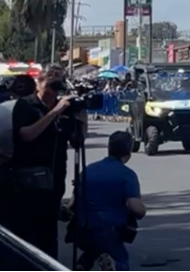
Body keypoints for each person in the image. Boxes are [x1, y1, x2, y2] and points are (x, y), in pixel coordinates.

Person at [9, 65, 82, 259]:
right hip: (28, 180)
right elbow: (26, 135)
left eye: (56, 87)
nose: (52, 92)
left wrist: (81, 117)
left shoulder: (63, 106)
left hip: (54, 180)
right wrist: (55, 112)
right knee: (27, 234)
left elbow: (77, 142)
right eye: (49, 85)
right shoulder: (26, 105)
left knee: (49, 234)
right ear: (39, 83)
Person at [78, 131, 146, 270]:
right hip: (110, 230)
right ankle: (115, 266)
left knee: (91, 253)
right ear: (128, 153)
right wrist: (142, 211)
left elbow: (73, 202)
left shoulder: (88, 170)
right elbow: (136, 207)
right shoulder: (127, 174)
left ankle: (84, 264)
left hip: (83, 230)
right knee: (120, 260)